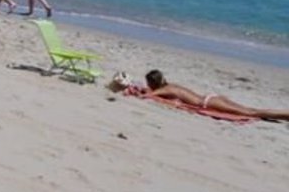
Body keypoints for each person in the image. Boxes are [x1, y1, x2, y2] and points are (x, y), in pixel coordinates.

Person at [122, 71, 289, 121]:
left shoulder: (164, 90)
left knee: (252, 112)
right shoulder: (171, 86)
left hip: (207, 103)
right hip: (212, 97)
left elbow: (148, 96)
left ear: (152, 83)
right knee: (249, 110)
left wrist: (135, 90)